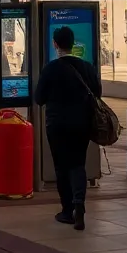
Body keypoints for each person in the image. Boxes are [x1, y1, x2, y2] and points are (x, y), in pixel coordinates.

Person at [33, 25, 101, 230]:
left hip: (57, 125)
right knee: (78, 164)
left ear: (55, 44)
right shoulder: (87, 67)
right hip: (82, 124)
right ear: (72, 44)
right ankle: (79, 204)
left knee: (62, 167)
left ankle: (67, 210)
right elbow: (97, 92)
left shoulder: (51, 69)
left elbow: (39, 98)